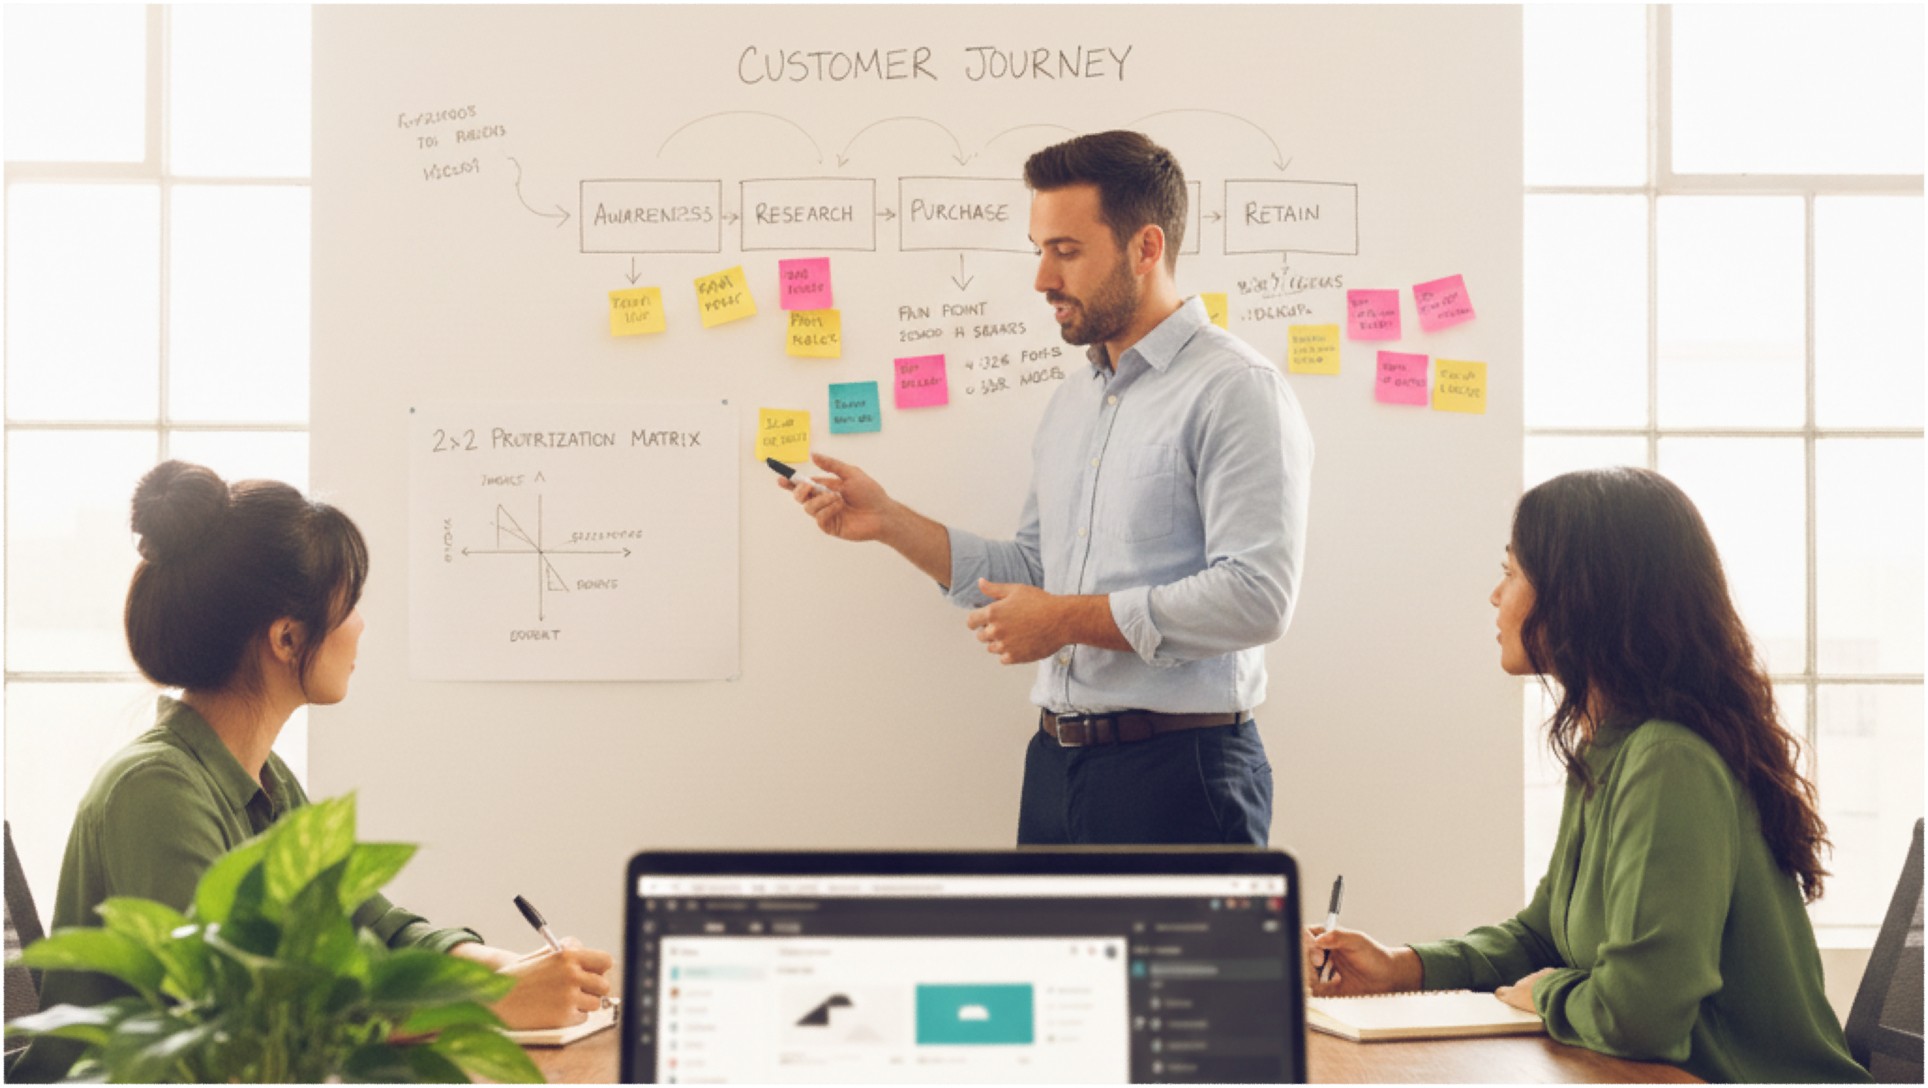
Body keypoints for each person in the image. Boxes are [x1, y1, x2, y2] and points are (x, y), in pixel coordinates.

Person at [783, 130, 1313, 845]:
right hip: (1055, 770)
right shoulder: (1072, 402)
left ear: (1145, 248)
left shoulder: (1236, 390)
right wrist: (888, 521)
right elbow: (1034, 574)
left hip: (1181, 776)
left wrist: (1063, 620)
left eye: (1065, 251)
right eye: (1039, 249)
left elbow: (1256, 597)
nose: (1042, 278)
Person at [13, 461, 612, 1082]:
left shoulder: (263, 778)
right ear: (287, 639)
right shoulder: (154, 790)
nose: (361, 625)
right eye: (350, 603)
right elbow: (238, 1020)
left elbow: (375, 928)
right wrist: (492, 1001)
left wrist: (516, 971)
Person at [1304, 467, 1870, 1084]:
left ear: (1577, 597)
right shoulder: (1607, 746)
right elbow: (1542, 937)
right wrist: (1401, 967)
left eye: (1511, 573)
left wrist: (1546, 992)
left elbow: (1640, 1016)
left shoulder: (1668, 761)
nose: (1495, 596)